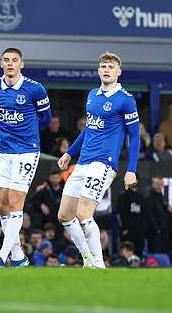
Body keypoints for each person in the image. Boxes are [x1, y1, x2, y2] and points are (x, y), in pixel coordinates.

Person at [56, 52, 140, 268]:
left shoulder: (126, 100)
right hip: (83, 161)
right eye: (103, 66)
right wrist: (69, 153)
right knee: (65, 215)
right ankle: (87, 258)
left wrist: (131, 170)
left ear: (118, 71)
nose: (106, 69)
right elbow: (88, 130)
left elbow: (135, 136)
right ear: (98, 70)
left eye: (111, 67)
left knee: (84, 213)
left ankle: (99, 264)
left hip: (103, 162)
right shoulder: (93, 95)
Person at [0, 47, 52, 268]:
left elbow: (46, 118)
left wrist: (27, 133)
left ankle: (2, 255)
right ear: (0, 63)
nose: (10, 63)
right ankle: (19, 256)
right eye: (6, 60)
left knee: (14, 201)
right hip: (2, 151)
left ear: (22, 64)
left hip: (26, 151)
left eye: (15, 60)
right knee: (2, 203)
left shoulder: (35, 89)